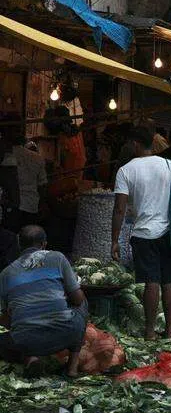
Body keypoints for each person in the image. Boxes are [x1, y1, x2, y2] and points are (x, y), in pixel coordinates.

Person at [112, 127, 171, 341]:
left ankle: (150, 332)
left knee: (151, 281)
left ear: (135, 144)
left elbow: (119, 209)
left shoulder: (125, 170)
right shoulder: (170, 164)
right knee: (168, 281)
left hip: (143, 234)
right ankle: (170, 331)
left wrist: (115, 240)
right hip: (169, 232)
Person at [0, 225, 87, 376]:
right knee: (83, 302)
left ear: (19, 244)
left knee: (6, 342)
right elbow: (77, 299)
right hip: (66, 333)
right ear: (44, 244)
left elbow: (6, 320)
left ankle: (30, 358)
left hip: (26, 340)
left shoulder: (5, 274)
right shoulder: (58, 258)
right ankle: (72, 367)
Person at [0, 137, 47, 230]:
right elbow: (42, 185)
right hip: (31, 205)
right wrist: (42, 204)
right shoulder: (37, 158)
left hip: (12, 207)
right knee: (28, 237)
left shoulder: (6, 157)